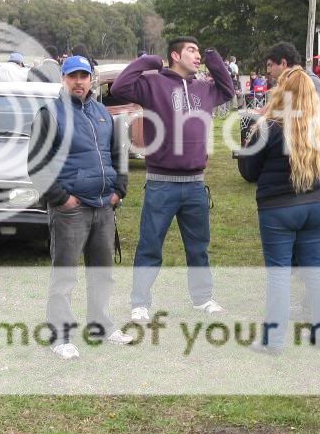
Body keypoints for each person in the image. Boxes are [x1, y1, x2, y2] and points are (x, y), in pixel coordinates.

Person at [111, 36, 235, 323]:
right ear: (175, 56)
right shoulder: (153, 84)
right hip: (161, 183)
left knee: (198, 246)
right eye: (191, 51)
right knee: (150, 245)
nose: (197, 56)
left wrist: (214, 57)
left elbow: (228, 90)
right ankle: (140, 303)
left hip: (194, 184)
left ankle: (202, 299)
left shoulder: (204, 89)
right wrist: (149, 62)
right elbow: (119, 87)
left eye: (198, 51)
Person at [27, 55, 133, 358]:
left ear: (91, 80)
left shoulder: (102, 113)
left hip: (104, 207)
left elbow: (118, 154)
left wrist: (119, 190)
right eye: (72, 76)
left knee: (103, 272)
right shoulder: (51, 114)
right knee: (65, 275)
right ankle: (60, 336)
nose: (78, 82)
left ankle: (101, 325)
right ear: (63, 79)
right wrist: (61, 198)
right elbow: (36, 164)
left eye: (83, 76)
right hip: (71, 210)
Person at [238, 67, 320, 354]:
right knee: (315, 268)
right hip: (317, 203)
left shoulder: (269, 127)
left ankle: (274, 340)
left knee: (279, 274)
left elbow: (249, 170)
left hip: (279, 207)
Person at [264, 42, 320, 110]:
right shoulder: (287, 83)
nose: (268, 71)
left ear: (283, 63)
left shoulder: (308, 82)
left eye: (270, 65)